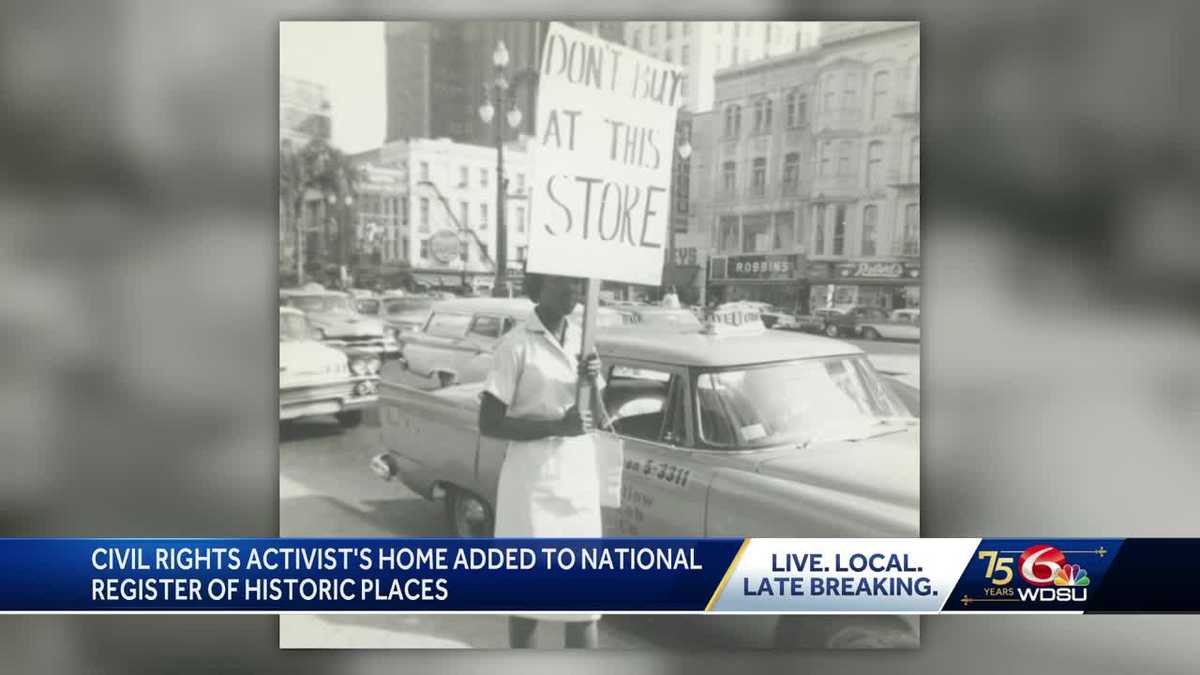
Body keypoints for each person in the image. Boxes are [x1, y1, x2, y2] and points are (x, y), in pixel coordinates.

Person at [478, 271, 605, 649]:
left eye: (579, 284)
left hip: (577, 478)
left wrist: (593, 380)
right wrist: (555, 426)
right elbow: (489, 422)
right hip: (531, 483)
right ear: (541, 287)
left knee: (584, 602)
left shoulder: (585, 342)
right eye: (566, 283)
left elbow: (596, 419)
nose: (576, 292)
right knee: (527, 597)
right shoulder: (515, 345)